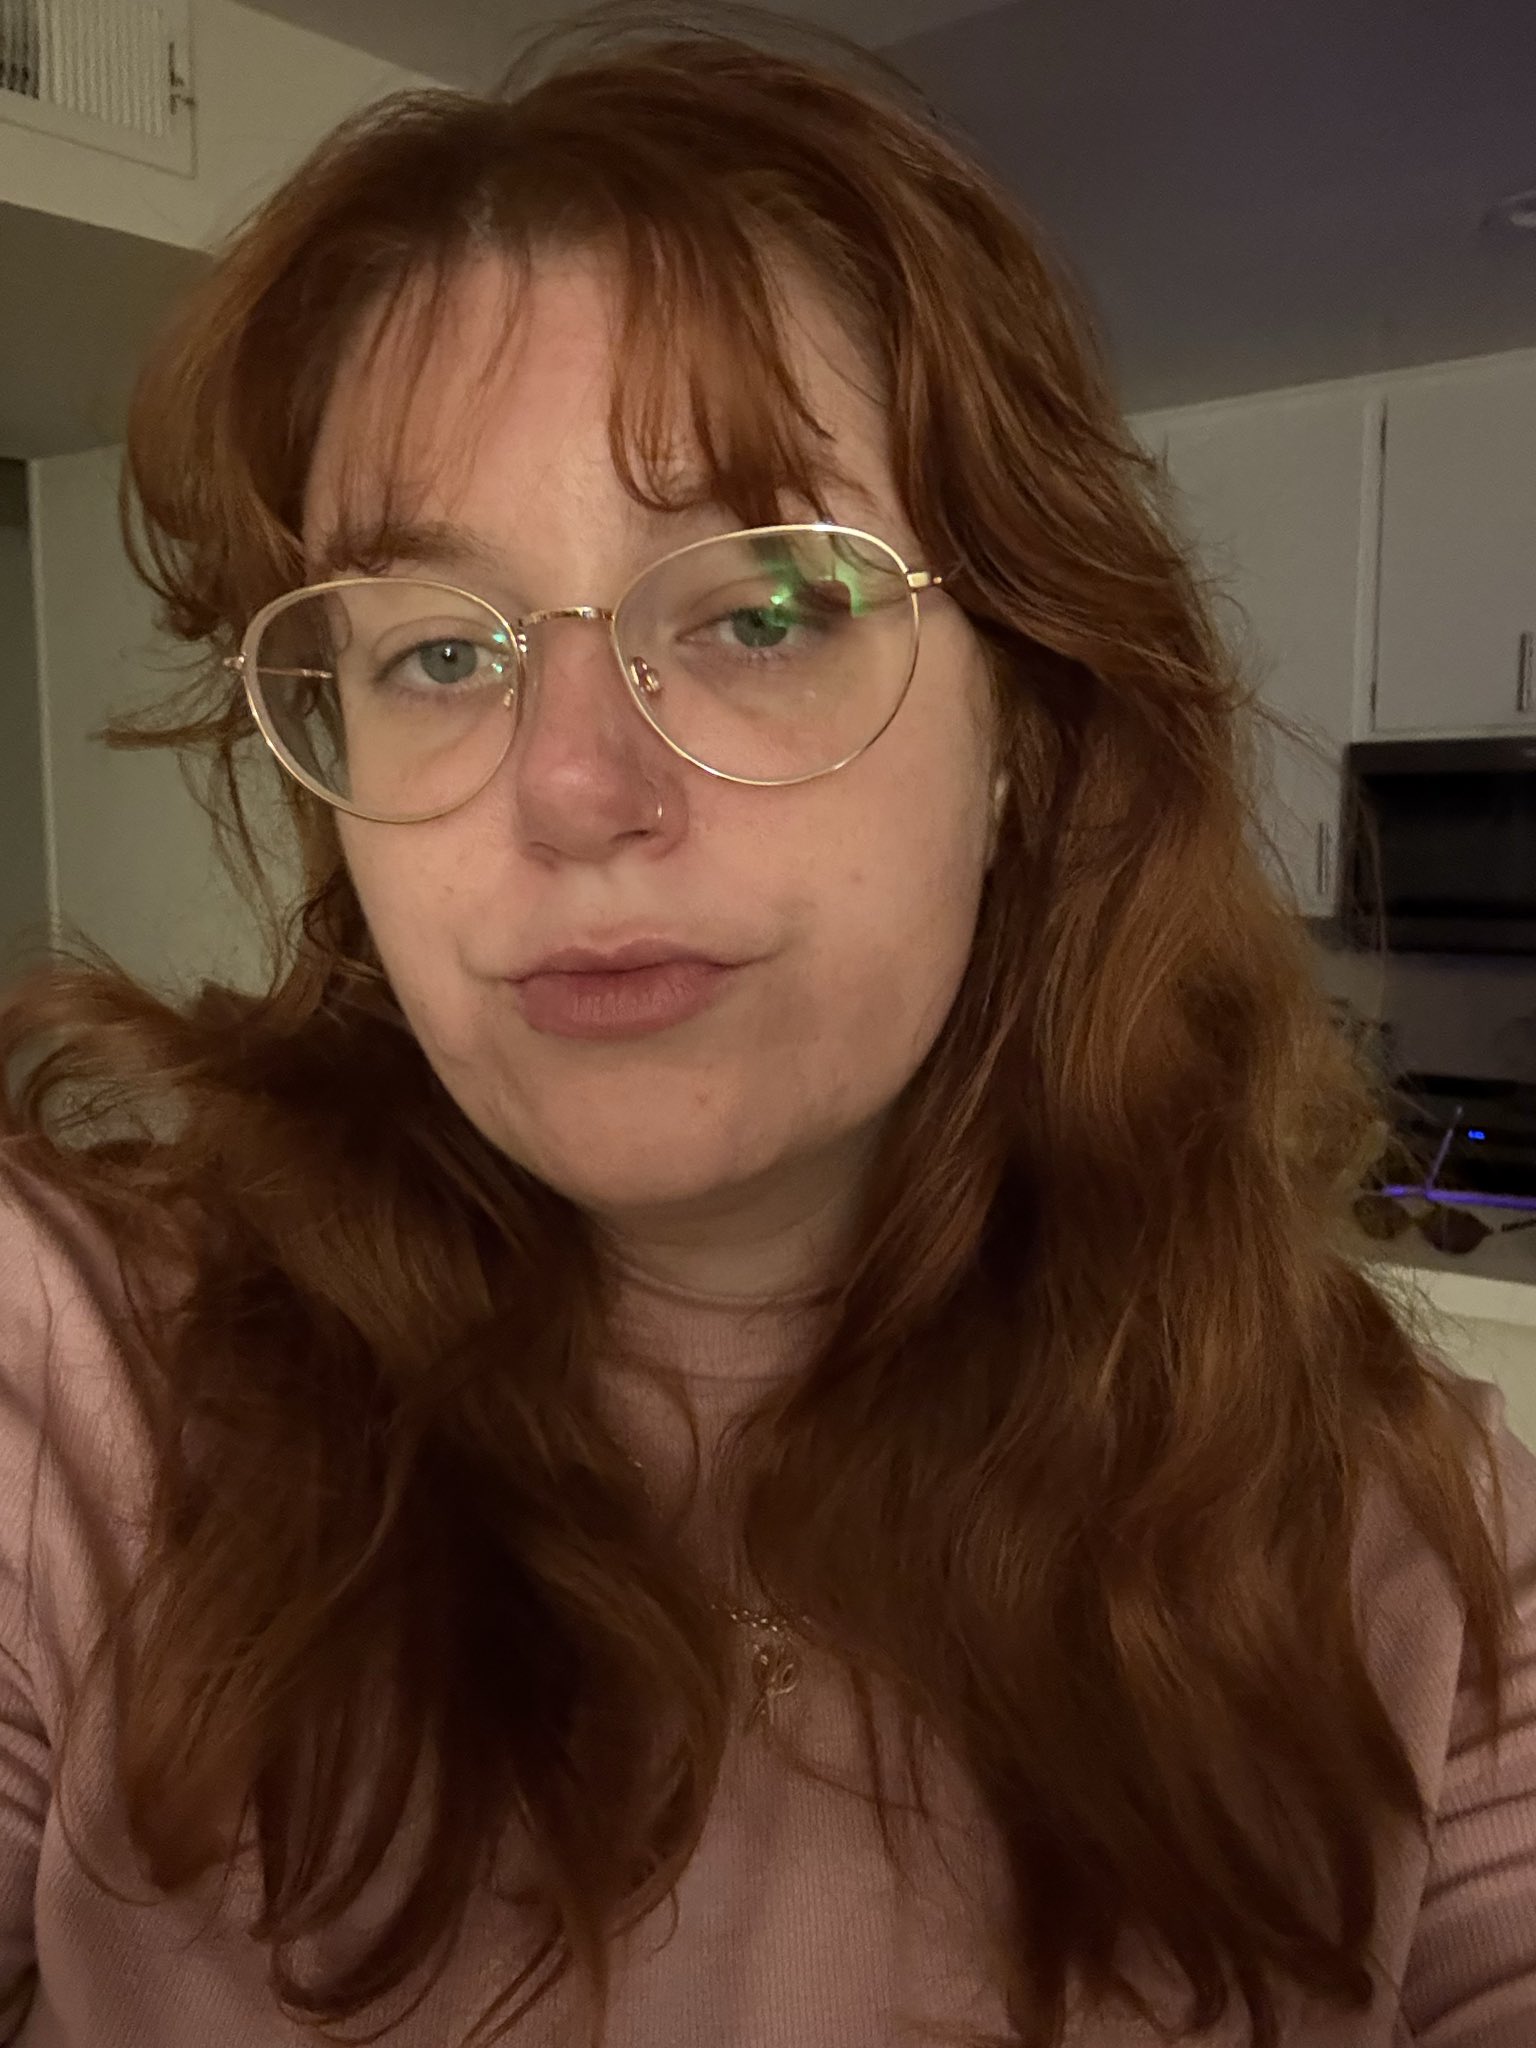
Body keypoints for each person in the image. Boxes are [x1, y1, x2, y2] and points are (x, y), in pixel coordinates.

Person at [0, 13, 1531, 2048]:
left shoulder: (1403, 1544)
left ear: (1023, 722)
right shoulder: (78, 1388)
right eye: (438, 652)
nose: (570, 789)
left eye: (764, 610)